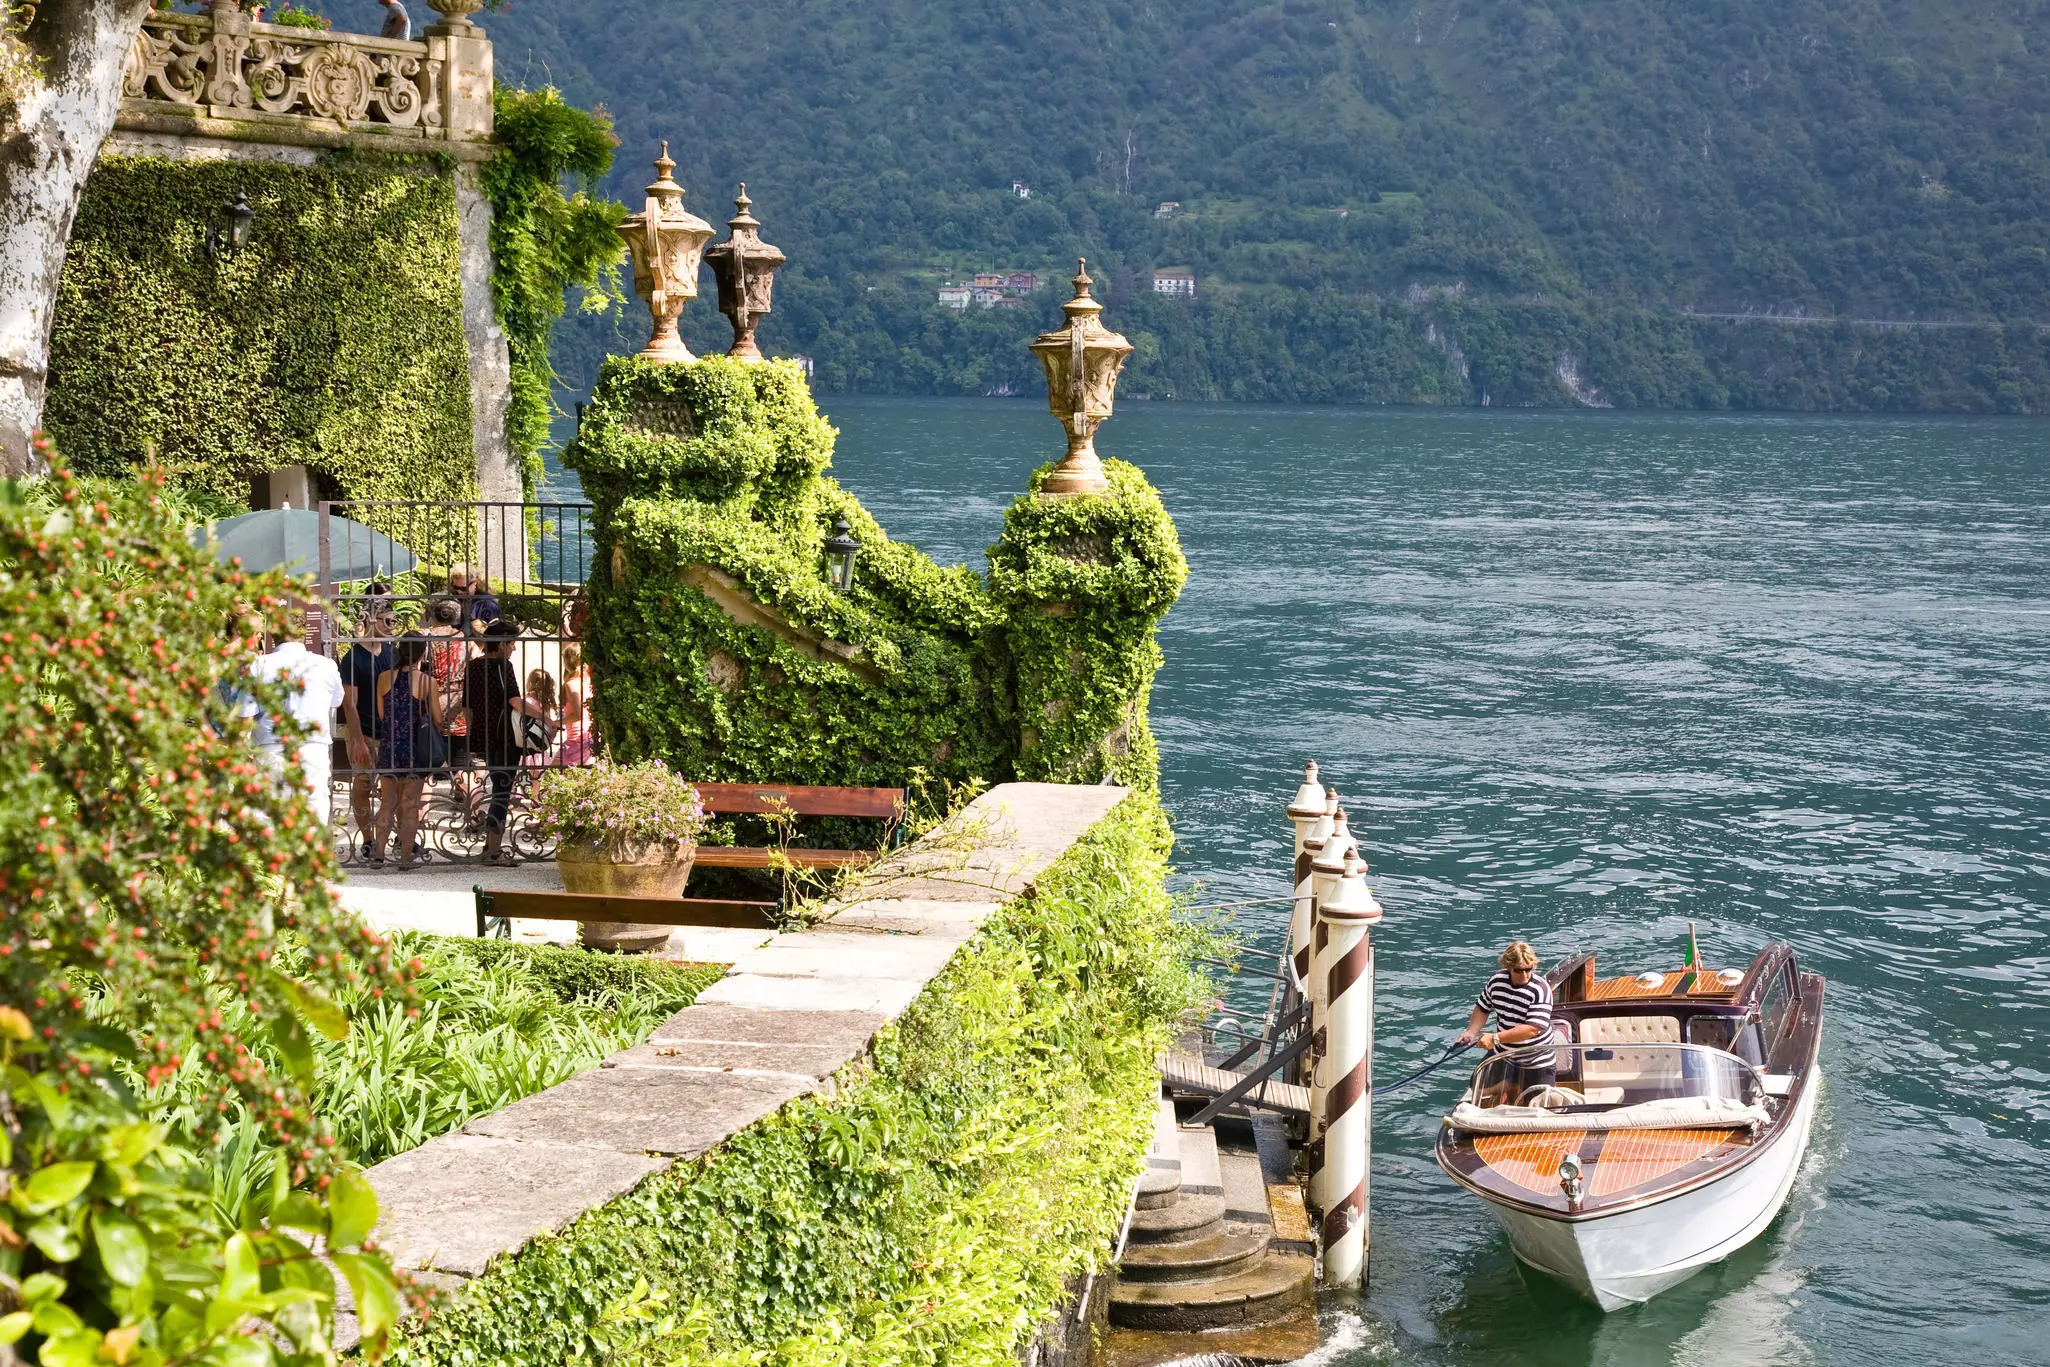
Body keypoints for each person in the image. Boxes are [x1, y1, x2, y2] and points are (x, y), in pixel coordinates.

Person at [248, 603, 345, 823]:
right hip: (312, 747)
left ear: (273, 633)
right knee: (312, 819)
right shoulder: (326, 665)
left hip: (270, 747)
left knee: (268, 820)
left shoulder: (259, 665)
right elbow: (336, 701)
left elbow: (247, 710)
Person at [464, 620, 546, 866]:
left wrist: (473, 734)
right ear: (501, 644)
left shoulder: (474, 666)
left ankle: (490, 846)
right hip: (504, 736)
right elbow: (514, 701)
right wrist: (545, 719)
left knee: (499, 786)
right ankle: (494, 852)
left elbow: (467, 706)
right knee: (502, 791)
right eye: (512, 643)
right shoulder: (503, 666)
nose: (514, 649)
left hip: (483, 735)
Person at [369, 636, 448, 870]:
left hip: (390, 746)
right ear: (422, 654)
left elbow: (382, 715)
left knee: (387, 803)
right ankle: (405, 857)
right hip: (414, 747)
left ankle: (379, 855)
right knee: (410, 804)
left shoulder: (383, 679)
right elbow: (437, 717)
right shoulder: (426, 681)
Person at [1457, 941, 1558, 1104]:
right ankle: (1509, 1084)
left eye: (1529, 969)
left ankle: (1513, 1085)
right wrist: (1471, 1032)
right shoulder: (1496, 981)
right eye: (1519, 970)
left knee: (1538, 1105)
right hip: (1504, 1055)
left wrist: (1494, 1038)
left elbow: (1532, 1029)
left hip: (1536, 1060)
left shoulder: (1541, 990)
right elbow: (1483, 1008)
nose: (1525, 975)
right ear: (1508, 967)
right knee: (1476, 1085)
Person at [339, 589, 397, 847]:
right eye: (387, 621)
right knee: (362, 787)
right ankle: (367, 839)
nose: (391, 626)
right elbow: (349, 704)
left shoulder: (392, 652)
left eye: (393, 621)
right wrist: (358, 741)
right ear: (372, 620)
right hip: (362, 731)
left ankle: (386, 838)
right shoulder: (353, 657)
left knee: (391, 789)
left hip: (389, 733)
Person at [422, 595, 472, 795]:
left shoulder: (426, 639)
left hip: (430, 704)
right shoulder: (465, 642)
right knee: (461, 763)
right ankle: (472, 806)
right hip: (459, 706)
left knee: (426, 768)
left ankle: (420, 816)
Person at [557, 644, 593, 767]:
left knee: (550, 776)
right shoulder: (588, 680)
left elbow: (578, 715)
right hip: (590, 735)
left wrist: (554, 723)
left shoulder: (571, 684)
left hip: (576, 738)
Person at [518, 667, 561, 768]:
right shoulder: (544, 704)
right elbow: (549, 727)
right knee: (536, 778)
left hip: (525, 744)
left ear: (530, 682)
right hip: (539, 745)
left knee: (518, 778)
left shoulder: (525, 700)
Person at [446, 563, 502, 638]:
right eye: (455, 587)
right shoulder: (452, 597)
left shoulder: (488, 603)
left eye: (463, 588)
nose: (459, 591)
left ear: (474, 583)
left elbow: (496, 633)